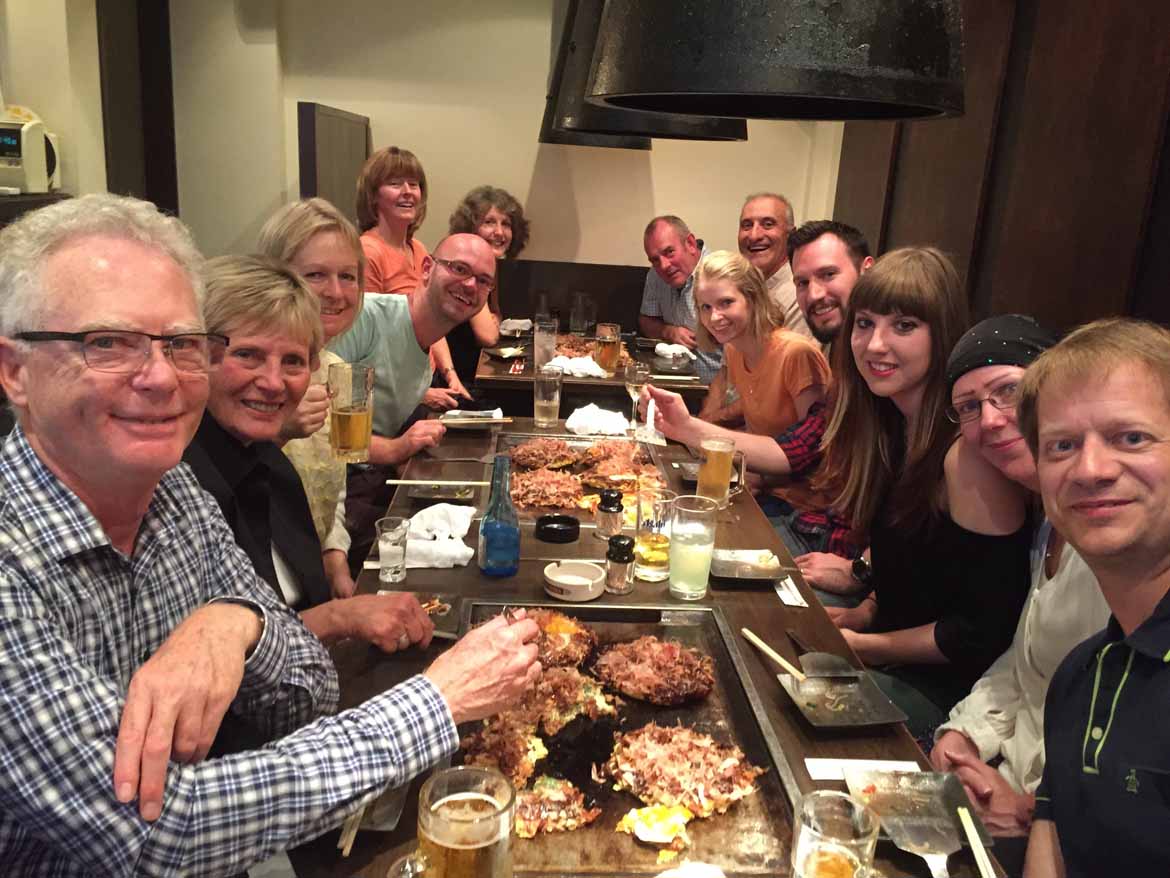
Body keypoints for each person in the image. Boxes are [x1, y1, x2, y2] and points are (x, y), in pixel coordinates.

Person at [0, 194, 541, 875]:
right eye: (107, 343)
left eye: (181, 344)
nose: (162, 377)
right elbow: (159, 833)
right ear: (15, 369)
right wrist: (437, 701)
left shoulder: (173, 498)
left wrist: (234, 621)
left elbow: (309, 686)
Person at [816, 247, 1031, 739]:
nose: (875, 345)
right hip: (894, 661)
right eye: (865, 324)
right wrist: (863, 613)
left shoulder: (965, 455)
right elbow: (914, 573)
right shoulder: (892, 429)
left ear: (944, 335)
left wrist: (870, 646)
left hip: (949, 699)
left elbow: (980, 632)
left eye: (904, 326)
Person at [184, 253, 437, 659]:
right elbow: (218, 655)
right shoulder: (181, 483)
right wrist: (342, 616)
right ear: (196, 354)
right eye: (247, 354)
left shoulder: (271, 465)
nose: (272, 382)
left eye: (293, 362)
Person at [926, 316, 1109, 871]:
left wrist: (1034, 810)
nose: (992, 420)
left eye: (1008, 391)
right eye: (969, 407)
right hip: (1005, 779)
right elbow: (1022, 666)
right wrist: (961, 732)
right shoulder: (1051, 522)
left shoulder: (1115, 533)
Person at [1016, 318, 1170, 876]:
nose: (1091, 469)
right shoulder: (1081, 677)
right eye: (1062, 445)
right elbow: (1053, 838)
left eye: (1131, 438)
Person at [329, 233, 498, 566]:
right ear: (426, 269)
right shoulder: (368, 321)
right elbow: (339, 438)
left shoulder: (426, 355)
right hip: (335, 498)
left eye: (482, 280)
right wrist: (396, 448)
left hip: (366, 482)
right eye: (459, 269)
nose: (469, 285)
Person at [256, 197, 363, 597]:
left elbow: (335, 490)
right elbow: (212, 488)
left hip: (312, 583)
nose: (335, 292)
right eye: (316, 274)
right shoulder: (249, 374)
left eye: (348, 276)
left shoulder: (340, 372)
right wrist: (277, 431)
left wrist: (336, 559)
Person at [643, 249, 828, 468]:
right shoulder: (734, 349)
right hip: (758, 475)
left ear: (753, 299)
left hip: (796, 491)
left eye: (726, 303)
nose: (714, 317)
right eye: (706, 307)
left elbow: (815, 453)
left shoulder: (796, 353)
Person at [355, 145, 468, 411]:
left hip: (423, 381)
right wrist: (422, 395)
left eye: (414, 184)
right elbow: (366, 348)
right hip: (389, 397)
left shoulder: (417, 249)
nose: (408, 191)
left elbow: (432, 320)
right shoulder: (367, 252)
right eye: (395, 183)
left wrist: (450, 374)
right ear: (373, 197)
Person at [446, 185, 533, 382]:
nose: (500, 232)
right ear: (470, 227)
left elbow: (497, 316)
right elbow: (488, 336)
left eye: (506, 224)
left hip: (475, 371)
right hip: (459, 381)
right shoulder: (466, 270)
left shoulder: (489, 266)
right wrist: (491, 323)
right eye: (489, 222)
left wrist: (493, 320)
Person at [639, 215, 722, 382]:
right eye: (655, 260)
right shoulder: (655, 274)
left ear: (690, 244)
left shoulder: (721, 273)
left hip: (719, 391)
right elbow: (646, 320)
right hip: (675, 382)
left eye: (669, 252)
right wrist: (668, 331)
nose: (664, 265)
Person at [788, 220, 875, 348]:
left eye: (828, 274)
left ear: (866, 270)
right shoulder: (813, 355)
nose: (813, 295)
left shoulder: (896, 358)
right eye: (803, 283)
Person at [737, 192, 812, 338]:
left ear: (791, 235)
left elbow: (793, 360)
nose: (754, 235)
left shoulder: (800, 295)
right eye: (747, 225)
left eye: (768, 224)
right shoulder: (740, 286)